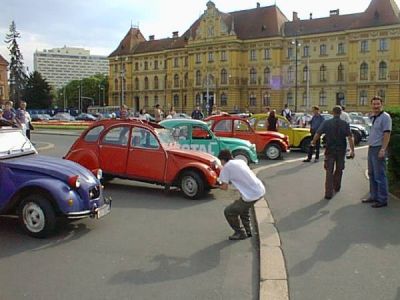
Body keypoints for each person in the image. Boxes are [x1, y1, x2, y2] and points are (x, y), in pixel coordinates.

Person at [218, 149, 266, 240]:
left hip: (251, 195)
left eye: (221, 161)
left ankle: (240, 232)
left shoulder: (226, 168)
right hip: (260, 189)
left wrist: (215, 185)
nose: (221, 163)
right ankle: (248, 231)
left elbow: (224, 187)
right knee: (243, 209)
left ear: (223, 160)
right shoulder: (240, 161)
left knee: (229, 211)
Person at [310, 106, 354, 200]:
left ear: (332, 113)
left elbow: (318, 133)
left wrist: (313, 142)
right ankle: (337, 186)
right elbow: (350, 137)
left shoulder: (327, 123)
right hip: (341, 150)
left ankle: (328, 193)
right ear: (341, 113)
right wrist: (352, 150)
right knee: (339, 169)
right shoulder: (345, 124)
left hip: (330, 149)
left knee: (329, 171)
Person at [362, 96, 392, 208]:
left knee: (380, 175)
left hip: (379, 148)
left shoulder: (385, 117)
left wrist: (383, 149)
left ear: (381, 104)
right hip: (371, 148)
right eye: (374, 104)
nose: (376, 106)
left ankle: (382, 199)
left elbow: (387, 134)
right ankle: (373, 196)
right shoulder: (374, 116)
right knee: (372, 173)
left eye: (378, 104)